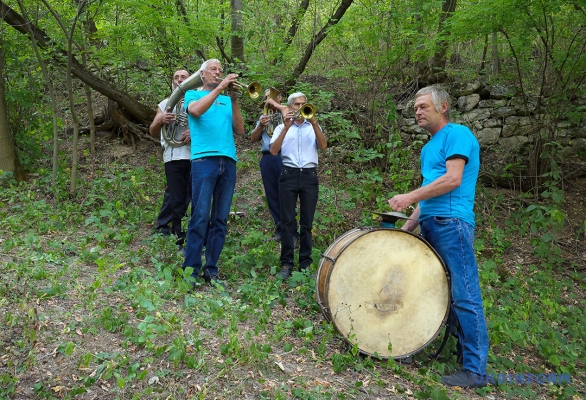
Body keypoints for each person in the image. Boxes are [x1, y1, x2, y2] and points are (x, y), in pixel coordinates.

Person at [388, 86, 489, 388]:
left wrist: (408, 195)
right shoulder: (428, 147)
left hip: (452, 223)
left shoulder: (457, 134)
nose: (417, 112)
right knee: (431, 289)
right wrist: (407, 229)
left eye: (422, 107)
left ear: (442, 106)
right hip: (432, 222)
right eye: (415, 108)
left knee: (464, 293)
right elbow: (428, 197)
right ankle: (423, 346)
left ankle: (475, 370)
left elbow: (453, 179)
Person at [182, 59, 244, 288]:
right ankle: (190, 271)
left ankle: (211, 270)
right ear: (202, 74)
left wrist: (234, 99)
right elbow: (196, 112)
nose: (218, 72)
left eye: (220, 70)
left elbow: (240, 130)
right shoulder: (192, 95)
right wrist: (220, 88)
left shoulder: (227, 100)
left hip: (228, 161)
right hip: (204, 160)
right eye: (213, 70)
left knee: (220, 219)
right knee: (200, 216)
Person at [270, 92, 327, 279]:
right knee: (287, 221)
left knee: (307, 223)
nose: (300, 107)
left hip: (309, 176)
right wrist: (286, 127)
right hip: (289, 174)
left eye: (303, 104)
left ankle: (305, 263)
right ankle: (286, 263)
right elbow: (273, 150)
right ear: (290, 107)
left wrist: (315, 123)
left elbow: (323, 146)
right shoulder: (280, 127)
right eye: (296, 104)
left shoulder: (312, 127)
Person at [150, 69, 192, 246]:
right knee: (175, 197)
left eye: (184, 77)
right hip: (173, 156)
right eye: (176, 77)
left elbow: (208, 128)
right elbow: (152, 131)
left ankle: (189, 230)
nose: (179, 80)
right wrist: (160, 121)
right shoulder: (165, 103)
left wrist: (195, 132)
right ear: (172, 82)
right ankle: (177, 233)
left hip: (192, 154)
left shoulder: (197, 102)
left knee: (191, 195)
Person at [250, 89, 298, 241]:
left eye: (269, 97)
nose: (266, 100)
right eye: (265, 98)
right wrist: (260, 126)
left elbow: (287, 111)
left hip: (284, 157)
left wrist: (274, 103)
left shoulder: (288, 111)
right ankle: (281, 229)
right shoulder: (264, 116)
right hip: (268, 158)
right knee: (272, 195)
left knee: (286, 195)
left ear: (279, 97)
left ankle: (293, 232)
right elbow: (252, 138)